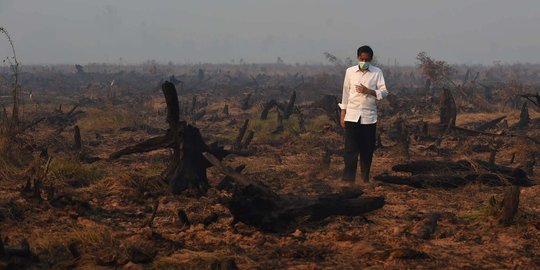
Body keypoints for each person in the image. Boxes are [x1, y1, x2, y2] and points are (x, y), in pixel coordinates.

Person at [339, 45, 388, 182]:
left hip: (369, 117)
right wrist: (343, 113)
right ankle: (348, 180)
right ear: (357, 57)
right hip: (352, 116)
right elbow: (345, 93)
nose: (364, 62)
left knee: (367, 149)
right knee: (350, 149)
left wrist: (370, 91)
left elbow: (384, 92)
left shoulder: (377, 73)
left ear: (371, 59)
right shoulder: (350, 72)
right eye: (362, 59)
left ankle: (364, 178)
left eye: (367, 59)